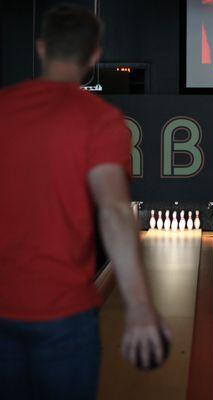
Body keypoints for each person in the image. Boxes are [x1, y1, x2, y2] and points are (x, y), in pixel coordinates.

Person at [0, 4, 169, 400]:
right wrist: (139, 305)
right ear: (94, 56)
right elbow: (112, 210)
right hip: (66, 314)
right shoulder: (100, 119)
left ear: (41, 48)